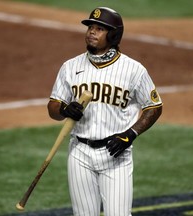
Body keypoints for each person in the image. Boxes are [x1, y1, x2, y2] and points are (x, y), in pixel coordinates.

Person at [48, 7, 163, 216]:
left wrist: (130, 135)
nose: (92, 31)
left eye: (99, 29)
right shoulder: (70, 66)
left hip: (116, 155)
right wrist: (65, 109)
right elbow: (53, 108)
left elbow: (154, 106)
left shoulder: (133, 69)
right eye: (90, 27)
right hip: (79, 153)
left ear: (113, 35)